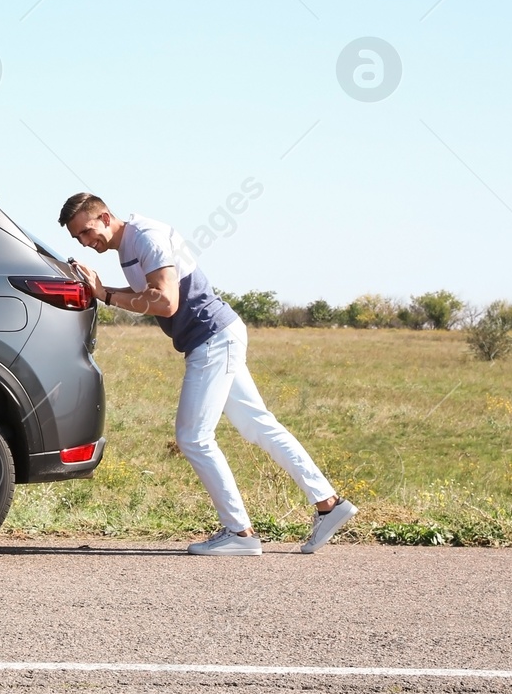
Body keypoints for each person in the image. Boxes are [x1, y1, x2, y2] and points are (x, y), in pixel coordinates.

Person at [57, 192, 357, 556]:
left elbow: (166, 302)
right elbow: (149, 294)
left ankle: (240, 533)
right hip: (215, 336)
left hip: (211, 338)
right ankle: (329, 504)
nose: (87, 242)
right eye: (79, 239)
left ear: (104, 216)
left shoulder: (146, 238)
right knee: (258, 425)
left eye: (87, 232)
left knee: (193, 437)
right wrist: (101, 289)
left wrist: (105, 295)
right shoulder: (128, 245)